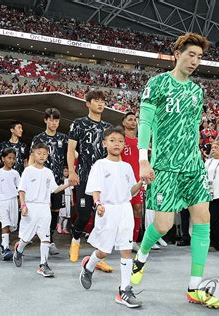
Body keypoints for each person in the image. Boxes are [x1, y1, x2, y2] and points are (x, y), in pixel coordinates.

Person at [131, 32, 219, 309]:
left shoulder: (197, 91)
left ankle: (195, 287)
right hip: (165, 166)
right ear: (177, 54)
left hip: (192, 166)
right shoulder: (157, 83)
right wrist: (143, 159)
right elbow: (145, 123)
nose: (195, 61)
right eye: (190, 55)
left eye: (199, 57)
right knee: (164, 225)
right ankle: (142, 255)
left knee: (203, 219)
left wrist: (197, 158)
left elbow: (193, 128)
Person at [79, 127, 143, 308]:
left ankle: (125, 289)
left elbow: (130, 191)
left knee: (126, 249)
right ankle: (89, 266)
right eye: (113, 140)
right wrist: (98, 204)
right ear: (104, 143)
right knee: (104, 251)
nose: (117, 144)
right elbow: (95, 188)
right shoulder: (100, 164)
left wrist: (142, 182)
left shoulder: (127, 167)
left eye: (121, 141)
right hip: (107, 210)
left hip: (125, 210)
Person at [67, 90, 113, 272]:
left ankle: (98, 256)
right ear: (88, 103)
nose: (100, 104)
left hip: (103, 178)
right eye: (96, 100)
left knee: (101, 216)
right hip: (85, 176)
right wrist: (72, 171)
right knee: (84, 213)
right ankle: (75, 239)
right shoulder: (78, 124)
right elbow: (71, 149)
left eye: (103, 101)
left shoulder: (108, 127)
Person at [13, 143, 70, 277]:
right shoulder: (28, 171)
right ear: (33, 154)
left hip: (45, 207)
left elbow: (55, 189)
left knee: (46, 237)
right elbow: (22, 190)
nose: (42, 156)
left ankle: (43, 265)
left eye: (45, 154)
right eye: (39, 153)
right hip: (30, 207)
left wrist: (68, 184)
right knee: (26, 238)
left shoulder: (48, 172)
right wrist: (23, 205)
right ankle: (19, 248)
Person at [29, 108, 68, 256]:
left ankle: (50, 240)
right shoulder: (38, 138)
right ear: (45, 120)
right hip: (40, 181)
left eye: (56, 120)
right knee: (39, 209)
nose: (54, 123)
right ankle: (31, 234)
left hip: (57, 182)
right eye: (51, 120)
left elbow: (72, 154)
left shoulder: (64, 138)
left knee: (55, 211)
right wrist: (29, 176)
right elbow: (31, 158)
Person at [121, 112, 143, 252]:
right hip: (122, 182)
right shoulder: (120, 140)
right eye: (130, 119)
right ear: (123, 123)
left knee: (137, 209)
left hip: (137, 182)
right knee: (122, 211)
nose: (133, 122)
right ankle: (119, 239)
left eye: (135, 120)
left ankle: (134, 240)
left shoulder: (140, 142)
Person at [57, 166, 73, 235]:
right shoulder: (60, 180)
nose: (66, 172)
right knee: (62, 213)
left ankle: (64, 228)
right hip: (63, 197)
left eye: (67, 171)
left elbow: (71, 190)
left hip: (68, 197)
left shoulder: (70, 179)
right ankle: (59, 225)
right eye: (65, 171)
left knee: (67, 214)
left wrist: (72, 200)